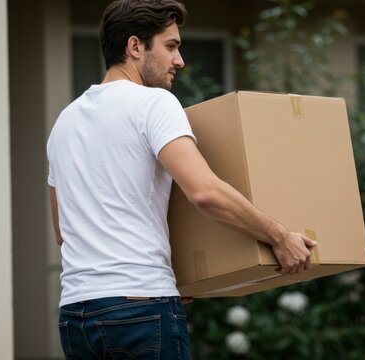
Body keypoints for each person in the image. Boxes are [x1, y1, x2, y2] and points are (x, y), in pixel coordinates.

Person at [47, 0, 318, 358]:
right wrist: (280, 237)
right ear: (135, 47)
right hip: (139, 309)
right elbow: (205, 192)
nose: (180, 60)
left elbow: (64, 233)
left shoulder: (64, 124)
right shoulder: (153, 103)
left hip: (76, 314)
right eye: (171, 46)